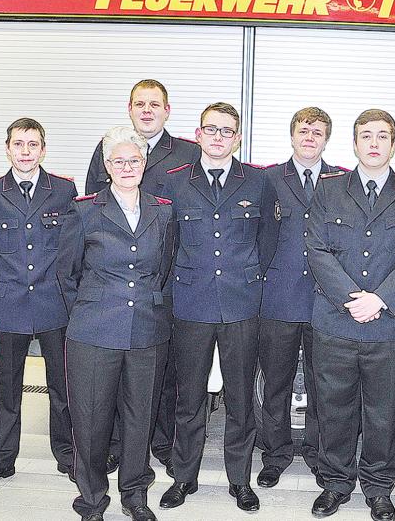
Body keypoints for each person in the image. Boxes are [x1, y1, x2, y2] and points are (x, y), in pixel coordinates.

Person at [306, 109, 395, 521]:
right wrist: (352, 298)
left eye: (382, 136)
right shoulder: (328, 189)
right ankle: (335, 483)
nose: (374, 143)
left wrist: (379, 299)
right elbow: (317, 249)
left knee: (385, 412)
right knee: (334, 410)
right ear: (355, 143)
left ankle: (379, 487)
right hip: (336, 321)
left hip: (390, 325)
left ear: (393, 145)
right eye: (366, 135)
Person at [158, 102, 278, 513]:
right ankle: (183, 477)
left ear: (238, 138)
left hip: (241, 304)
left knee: (240, 399)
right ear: (198, 134)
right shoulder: (175, 181)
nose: (218, 137)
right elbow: (167, 242)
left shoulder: (258, 182)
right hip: (191, 303)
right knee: (188, 398)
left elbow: (268, 238)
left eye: (227, 131)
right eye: (211, 129)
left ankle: (239, 480)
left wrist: (248, 278)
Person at [57, 127, 176, 521]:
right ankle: (92, 499)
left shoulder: (163, 210)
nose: (127, 167)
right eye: (119, 161)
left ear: (145, 163)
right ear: (107, 166)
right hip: (94, 331)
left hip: (146, 329)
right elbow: (66, 273)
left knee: (141, 418)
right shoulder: (84, 210)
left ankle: (135, 494)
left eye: (134, 160)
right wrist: (91, 309)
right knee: (91, 420)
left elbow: (165, 267)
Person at [84, 79, 198, 476]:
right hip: (114, 292)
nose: (146, 110)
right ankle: (118, 446)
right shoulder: (108, 148)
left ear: (167, 110)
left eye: (154, 104)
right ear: (129, 109)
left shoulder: (188, 153)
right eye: (139, 104)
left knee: (162, 377)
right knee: (115, 378)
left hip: (165, 284)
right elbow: (92, 215)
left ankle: (162, 443)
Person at [0, 118, 78, 490]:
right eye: (19, 144)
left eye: (33, 144)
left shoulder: (63, 190)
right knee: (7, 386)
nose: (25, 151)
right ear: (7, 149)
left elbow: (70, 247)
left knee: (62, 386)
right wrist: (10, 280)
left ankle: (68, 454)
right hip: (10, 302)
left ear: (43, 150)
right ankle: (2, 459)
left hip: (54, 303)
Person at [257, 107, 346, 489]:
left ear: (326, 139)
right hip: (278, 298)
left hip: (326, 301)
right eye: (304, 131)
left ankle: (317, 454)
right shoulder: (268, 179)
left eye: (317, 132)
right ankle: (275, 455)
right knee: (275, 384)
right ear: (292, 135)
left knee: (322, 385)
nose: (310, 138)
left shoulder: (342, 180)